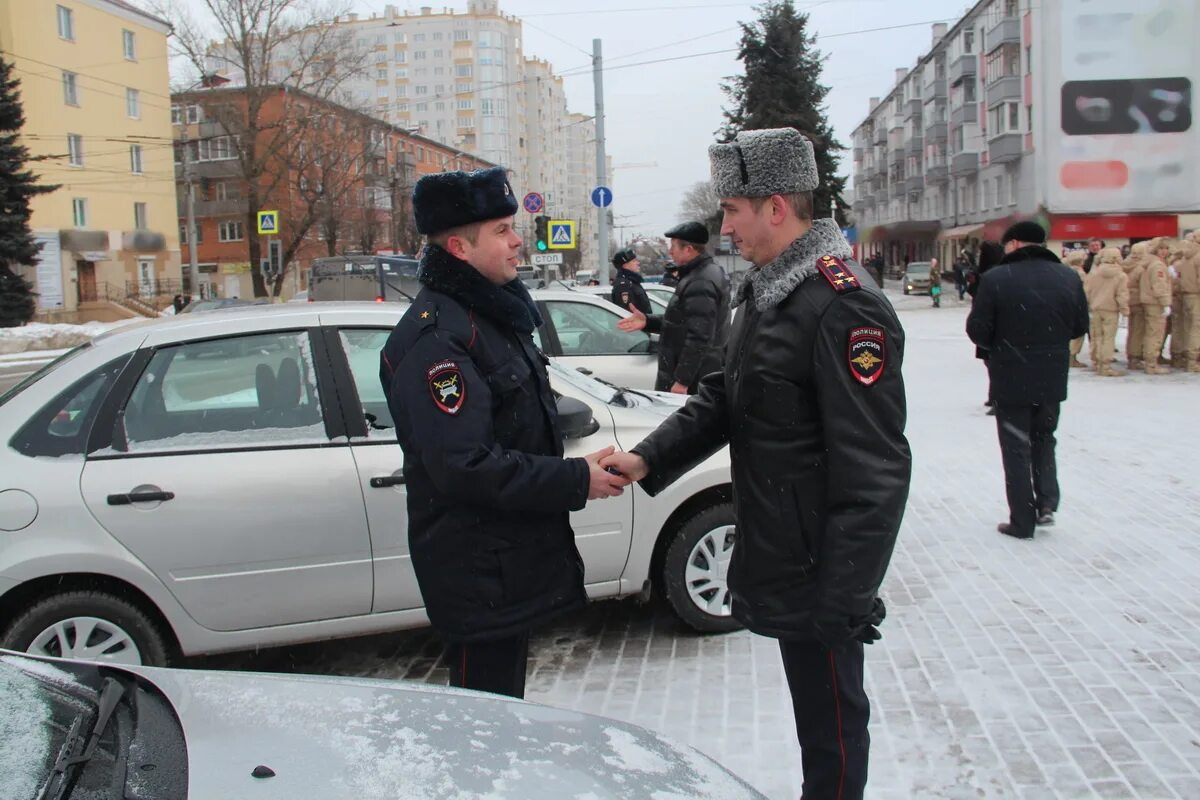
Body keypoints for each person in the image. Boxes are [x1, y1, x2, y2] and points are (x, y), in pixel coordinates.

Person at [602, 127, 911, 800]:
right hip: (784, 554)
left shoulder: (842, 304)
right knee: (816, 729)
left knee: (832, 731)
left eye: (733, 210)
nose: (725, 226)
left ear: (776, 207)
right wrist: (643, 459)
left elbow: (877, 470)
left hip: (821, 572)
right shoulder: (768, 292)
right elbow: (722, 398)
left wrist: (843, 599)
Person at [377, 166, 625, 699]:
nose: (519, 241)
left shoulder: (486, 318)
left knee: (499, 711)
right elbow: (463, 465)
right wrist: (574, 478)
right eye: (502, 231)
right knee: (483, 726)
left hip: (503, 566)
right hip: (477, 573)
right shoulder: (438, 341)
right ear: (459, 248)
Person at [966, 221, 1089, 540]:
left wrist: (1003, 346)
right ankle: (1047, 503)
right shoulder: (1068, 276)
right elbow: (1078, 326)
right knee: (1045, 438)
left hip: (1010, 375)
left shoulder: (995, 279)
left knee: (1016, 446)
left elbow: (977, 330)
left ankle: (1022, 519)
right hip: (1052, 374)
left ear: (1016, 244)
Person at [616, 220, 730, 394]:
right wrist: (647, 321)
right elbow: (683, 323)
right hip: (696, 377)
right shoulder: (699, 275)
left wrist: (683, 380)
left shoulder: (701, 281)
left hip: (692, 382)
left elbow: (699, 336)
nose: (670, 251)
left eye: (674, 247)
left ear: (688, 249)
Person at [971, 241, 1006, 415]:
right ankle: (995, 396)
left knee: (995, 364)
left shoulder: (990, 273)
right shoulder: (996, 271)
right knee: (993, 363)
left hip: (991, 324)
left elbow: (977, 294)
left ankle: (998, 398)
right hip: (991, 323)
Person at [1083, 247, 1130, 377]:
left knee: (1096, 337)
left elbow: (1086, 293)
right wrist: (1125, 310)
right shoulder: (1120, 275)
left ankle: (1096, 362)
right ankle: (1106, 365)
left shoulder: (1093, 274)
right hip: (1110, 310)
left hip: (1095, 309)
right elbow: (1121, 295)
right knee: (1108, 338)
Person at [1139, 237, 1173, 375]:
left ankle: (1150, 361)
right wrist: (1166, 302)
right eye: (1161, 248)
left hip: (1150, 301)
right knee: (1155, 333)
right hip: (1155, 303)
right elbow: (1159, 286)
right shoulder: (1157, 265)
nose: (1164, 251)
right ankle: (1152, 364)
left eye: (1166, 248)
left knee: (1151, 332)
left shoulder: (1150, 263)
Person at [1122, 242, 1150, 370]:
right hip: (1138, 300)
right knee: (1138, 330)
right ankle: (1135, 357)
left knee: (1132, 329)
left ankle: (1131, 354)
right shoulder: (1141, 266)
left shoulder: (1126, 263)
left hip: (1129, 299)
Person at [1176, 237, 1200, 372]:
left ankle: (1186, 357)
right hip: (1197, 296)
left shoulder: (1186, 257)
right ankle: (1193, 361)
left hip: (1186, 295)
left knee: (1187, 328)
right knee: (1196, 329)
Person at [1063, 250, 1088, 368]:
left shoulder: (1066, 271)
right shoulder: (1080, 273)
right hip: (1078, 304)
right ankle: (1072, 358)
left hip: (1067, 303)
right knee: (1078, 334)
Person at [609, 247, 652, 316]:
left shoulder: (633, 282)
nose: (638, 263)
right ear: (625, 265)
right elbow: (626, 314)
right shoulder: (624, 285)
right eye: (634, 261)